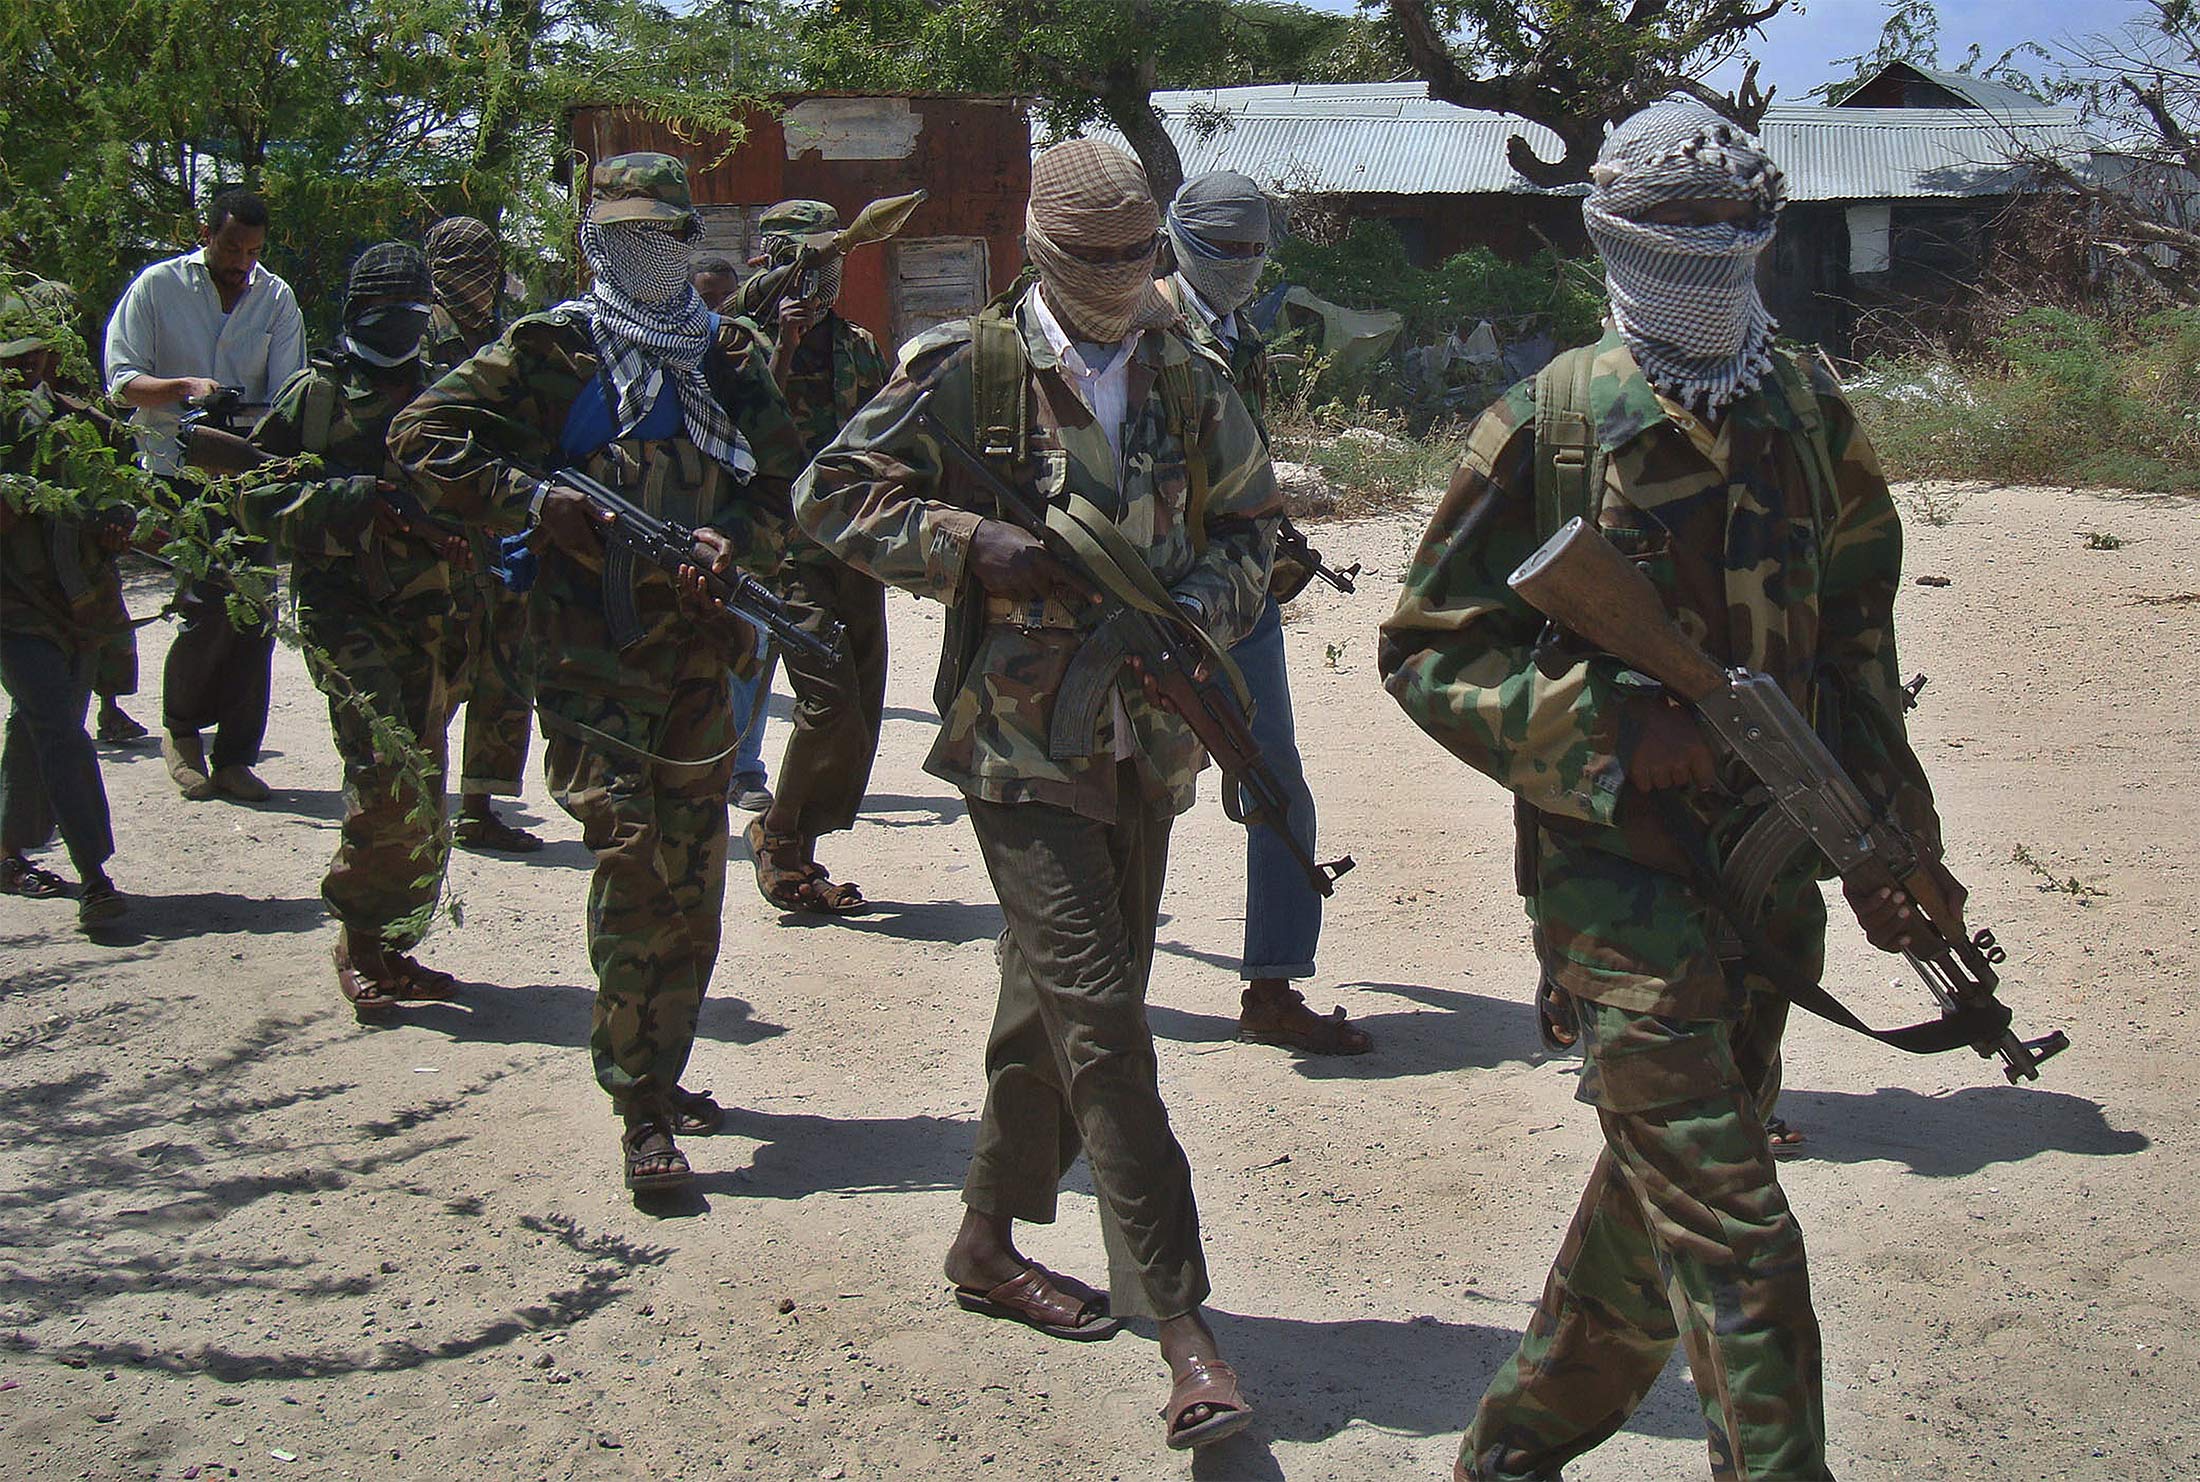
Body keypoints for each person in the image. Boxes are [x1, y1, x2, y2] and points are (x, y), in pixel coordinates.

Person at [1378, 99, 1954, 1482]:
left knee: (1655, 1232)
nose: (1706, 256)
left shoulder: (1810, 411)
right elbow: (1423, 651)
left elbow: (1860, 650)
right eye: (1672, 232)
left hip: (1771, 888)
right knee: (1739, 1237)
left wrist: (1900, 842)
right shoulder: (1553, 422)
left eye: (1728, 231)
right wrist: (1609, 729)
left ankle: (1508, 1449)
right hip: (1615, 891)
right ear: (1612, 239)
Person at [798, 138, 1278, 1452]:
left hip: (1146, 741)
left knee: (1049, 1008)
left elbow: (1256, 536)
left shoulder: (1191, 374)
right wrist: (968, 545)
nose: (1123, 279)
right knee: (1107, 1020)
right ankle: (1185, 1325)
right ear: (1041, 253)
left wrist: (1193, 615)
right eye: (1096, 258)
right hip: (1019, 746)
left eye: (1141, 255)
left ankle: (985, 1236)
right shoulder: (968, 372)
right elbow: (828, 493)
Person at [392, 153, 807, 1196]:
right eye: (625, 237)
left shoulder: (726, 358)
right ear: (593, 244)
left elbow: (788, 484)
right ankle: (638, 1104)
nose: (646, 256)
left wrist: (732, 547)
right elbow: (420, 437)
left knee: (695, 879)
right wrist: (537, 505)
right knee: (632, 868)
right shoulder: (551, 351)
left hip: (697, 661)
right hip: (586, 659)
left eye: (663, 235)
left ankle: (659, 1067)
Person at [1156, 169, 1370, 1056]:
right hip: (1150, 599)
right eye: (1223, 249)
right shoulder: (1140, 326)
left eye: (1254, 250)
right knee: (1126, 793)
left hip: (1240, 596)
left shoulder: (1241, 335)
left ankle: (1273, 986)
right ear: (1177, 238)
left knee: (1274, 785)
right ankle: (1079, 991)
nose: (1241, 266)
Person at [237, 242, 463, 1021]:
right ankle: (358, 941)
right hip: (344, 609)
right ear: (354, 314)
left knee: (425, 773)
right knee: (381, 765)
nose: (398, 330)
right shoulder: (318, 394)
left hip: (428, 611)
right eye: (383, 316)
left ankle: (396, 939)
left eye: (410, 314)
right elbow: (254, 497)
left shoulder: (444, 394)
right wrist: (354, 500)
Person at [104, 187, 306, 803]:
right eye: (231, 247)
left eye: (253, 250)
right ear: (205, 233)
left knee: (255, 611)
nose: (242, 261)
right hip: (177, 471)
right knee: (207, 605)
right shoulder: (157, 287)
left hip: (248, 472)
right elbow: (120, 383)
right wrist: (183, 388)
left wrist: (256, 440)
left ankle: (238, 755)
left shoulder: (275, 298)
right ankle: (183, 732)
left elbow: (288, 395)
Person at [734, 200, 891, 915]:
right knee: (828, 703)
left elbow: (892, 435)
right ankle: (778, 837)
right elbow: (739, 432)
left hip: (853, 547)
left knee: (859, 710)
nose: (814, 281)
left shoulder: (858, 344)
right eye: (801, 264)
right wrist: (782, 350)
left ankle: (800, 844)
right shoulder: (739, 342)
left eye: (826, 264)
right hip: (785, 551)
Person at [0, 277, 131, 928]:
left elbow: (124, 493)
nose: (29, 367)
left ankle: (7, 847)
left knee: (37, 725)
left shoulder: (79, 423)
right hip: (15, 611)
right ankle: (95, 876)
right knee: (57, 727)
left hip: (79, 606)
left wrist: (117, 521)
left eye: (39, 354)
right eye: (14, 357)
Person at [422, 215, 543, 854]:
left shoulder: (507, 337)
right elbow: (412, 441)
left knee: (505, 666)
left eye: (483, 261)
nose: (473, 276)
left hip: (505, 527)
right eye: (459, 261)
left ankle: (479, 803)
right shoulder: (418, 339)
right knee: (441, 671)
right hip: (441, 534)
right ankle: (421, 804)